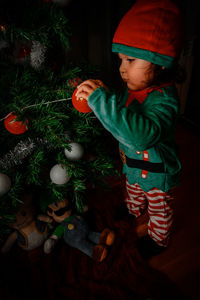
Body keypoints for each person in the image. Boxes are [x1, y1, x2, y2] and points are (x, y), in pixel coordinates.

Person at [75, 0, 185, 260]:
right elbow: (124, 115)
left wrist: (102, 101)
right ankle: (133, 209)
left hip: (158, 176)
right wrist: (107, 98)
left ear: (160, 63)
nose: (122, 68)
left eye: (131, 59)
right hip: (133, 166)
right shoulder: (132, 88)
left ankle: (159, 238)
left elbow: (142, 135)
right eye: (121, 59)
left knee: (159, 210)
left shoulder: (166, 100)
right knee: (132, 188)